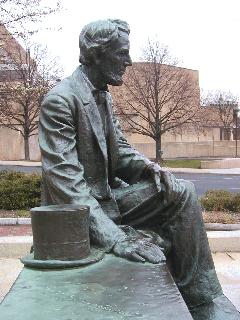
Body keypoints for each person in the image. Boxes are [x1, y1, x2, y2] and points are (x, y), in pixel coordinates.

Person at [39, 19, 239, 319]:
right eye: (122, 53)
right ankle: (201, 301)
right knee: (176, 198)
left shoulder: (102, 95)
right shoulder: (60, 101)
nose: (128, 62)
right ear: (96, 54)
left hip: (108, 201)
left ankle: (204, 299)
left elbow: (120, 151)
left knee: (179, 190)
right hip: (74, 217)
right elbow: (67, 186)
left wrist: (151, 171)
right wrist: (117, 239)